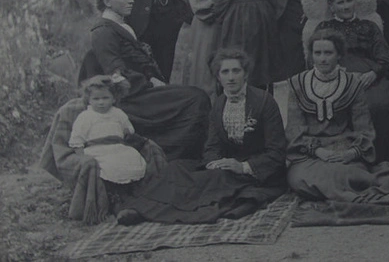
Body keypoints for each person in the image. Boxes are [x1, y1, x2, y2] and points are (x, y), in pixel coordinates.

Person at [115, 49, 287, 225]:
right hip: (226, 166)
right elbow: (211, 146)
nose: (231, 77)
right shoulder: (219, 104)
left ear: (246, 74)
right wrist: (215, 163)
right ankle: (140, 207)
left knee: (208, 182)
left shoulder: (264, 102)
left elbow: (278, 151)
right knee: (176, 168)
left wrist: (242, 166)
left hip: (255, 170)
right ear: (218, 77)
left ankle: (148, 212)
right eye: (225, 72)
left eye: (236, 71)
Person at [87, 0, 210, 160]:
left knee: (195, 96)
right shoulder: (103, 31)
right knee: (196, 99)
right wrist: (150, 83)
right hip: (130, 96)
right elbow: (115, 73)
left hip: (140, 90)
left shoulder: (120, 25)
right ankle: (174, 156)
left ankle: (184, 156)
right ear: (107, 1)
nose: (131, 1)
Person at [285, 29, 389, 204]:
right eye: (317, 53)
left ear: (339, 55)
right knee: (299, 180)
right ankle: (353, 197)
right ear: (311, 55)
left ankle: (345, 193)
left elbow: (364, 128)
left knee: (348, 175)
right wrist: (318, 151)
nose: (322, 58)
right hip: (309, 155)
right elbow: (294, 129)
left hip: (343, 151)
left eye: (328, 53)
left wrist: (350, 153)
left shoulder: (352, 84)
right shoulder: (298, 84)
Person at [312, 0, 389, 162]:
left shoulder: (370, 27)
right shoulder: (324, 28)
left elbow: (385, 57)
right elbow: (316, 59)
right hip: (335, 77)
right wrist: (340, 75)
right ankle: (351, 156)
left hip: (370, 77)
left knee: (380, 105)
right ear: (332, 6)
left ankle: (381, 157)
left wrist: (374, 73)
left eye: (349, 1)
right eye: (340, 3)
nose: (346, 6)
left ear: (355, 2)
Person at [206, 0, 280, 90]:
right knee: (238, 62)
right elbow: (219, 9)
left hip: (262, 37)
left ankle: (261, 97)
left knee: (261, 66)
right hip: (236, 35)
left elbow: (274, 6)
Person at [69, 75, 147, 185]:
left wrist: (127, 131)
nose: (101, 102)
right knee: (108, 165)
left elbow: (128, 129)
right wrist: (82, 157)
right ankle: (110, 188)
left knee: (132, 159)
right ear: (89, 100)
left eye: (105, 98)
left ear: (114, 98)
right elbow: (77, 140)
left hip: (118, 148)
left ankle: (127, 187)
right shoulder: (86, 117)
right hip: (97, 150)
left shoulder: (118, 113)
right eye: (96, 99)